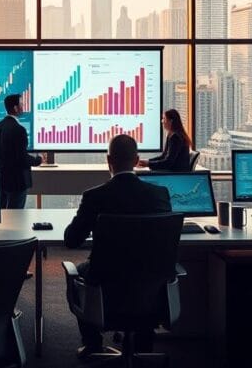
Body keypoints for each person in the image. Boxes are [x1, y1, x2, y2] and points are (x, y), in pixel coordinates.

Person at [64, 134, 173, 360]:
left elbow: (71, 240)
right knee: (145, 271)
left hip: (106, 287)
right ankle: (144, 346)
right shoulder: (159, 195)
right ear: (137, 160)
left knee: (77, 271)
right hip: (149, 289)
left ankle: (93, 344)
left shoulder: (95, 196)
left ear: (108, 160)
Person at [0, 94, 42, 209]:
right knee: (16, 214)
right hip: (17, 180)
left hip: (0, 177)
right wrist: (38, 160)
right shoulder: (19, 129)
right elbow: (22, 158)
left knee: (1, 214)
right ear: (15, 108)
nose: (23, 107)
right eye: (21, 104)